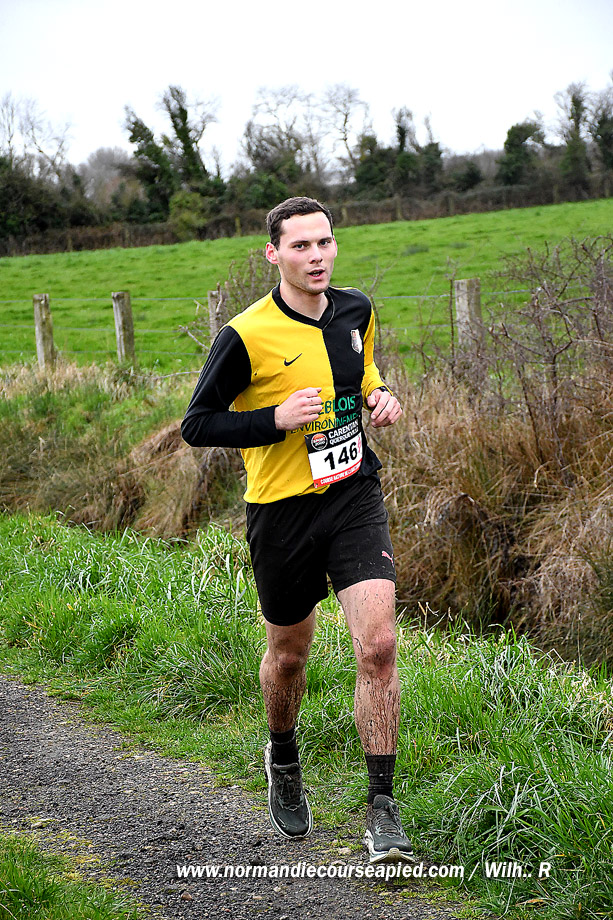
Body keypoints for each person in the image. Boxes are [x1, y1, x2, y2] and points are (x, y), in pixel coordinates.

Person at [181, 196, 413, 864]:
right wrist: (274, 419)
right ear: (273, 254)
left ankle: (382, 810)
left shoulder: (356, 310)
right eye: (301, 246)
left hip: (352, 494)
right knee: (288, 656)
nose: (316, 257)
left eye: (325, 242)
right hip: (281, 512)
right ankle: (282, 756)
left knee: (378, 646)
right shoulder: (245, 334)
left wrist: (379, 398)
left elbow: (362, 376)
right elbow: (197, 424)